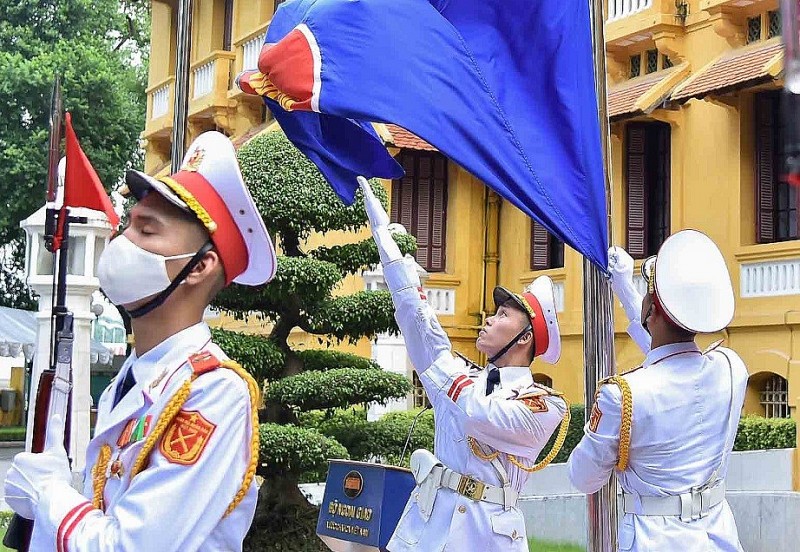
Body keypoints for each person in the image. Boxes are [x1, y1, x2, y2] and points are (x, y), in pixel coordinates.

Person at [4, 131, 276, 551]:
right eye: (128, 225)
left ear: (200, 266)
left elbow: (131, 545)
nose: (123, 241)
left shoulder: (212, 391)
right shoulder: (133, 378)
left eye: (147, 232)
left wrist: (49, 495)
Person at [358, 177, 570, 551]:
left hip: (485, 535)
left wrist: (437, 364)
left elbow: (479, 415)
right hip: (428, 530)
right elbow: (415, 320)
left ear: (524, 339)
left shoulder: (545, 404)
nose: (488, 318)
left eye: (502, 315)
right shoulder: (464, 376)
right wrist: (391, 253)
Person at [567, 230, 746, 551]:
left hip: (654, 540)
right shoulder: (731, 368)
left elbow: (584, 478)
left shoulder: (622, 396)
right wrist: (625, 288)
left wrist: (595, 432)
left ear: (650, 312)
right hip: (718, 538)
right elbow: (670, 356)